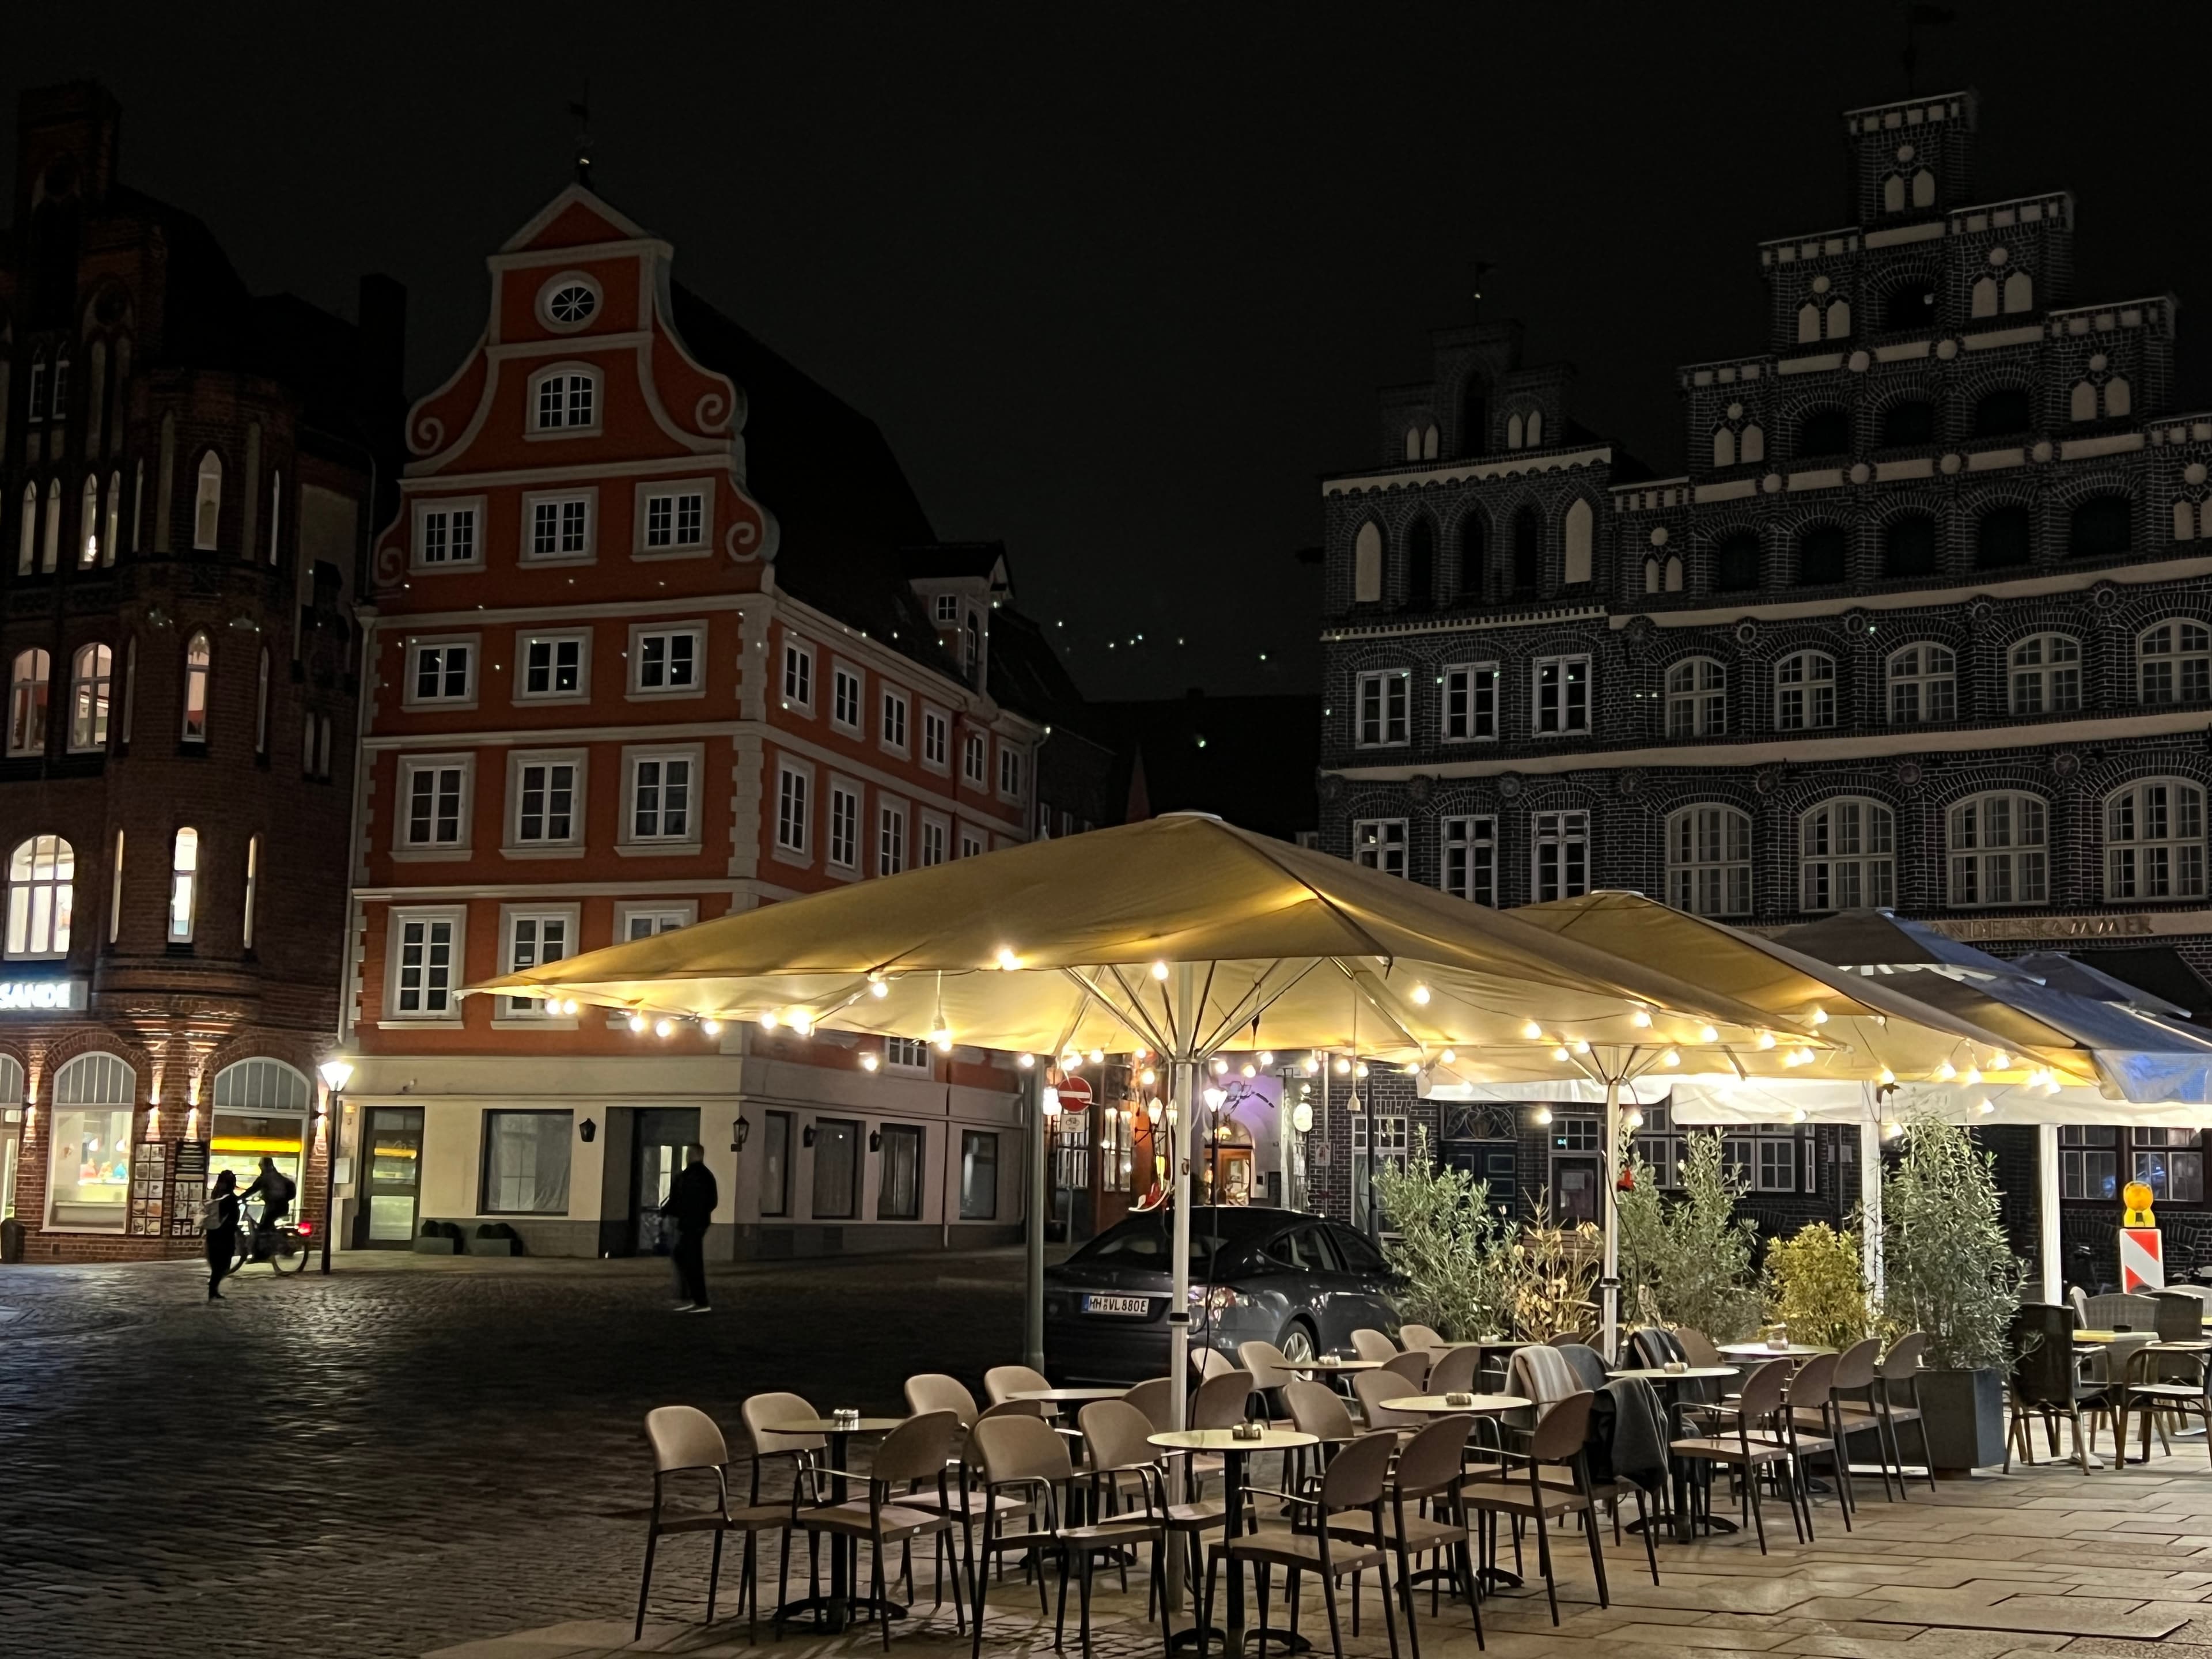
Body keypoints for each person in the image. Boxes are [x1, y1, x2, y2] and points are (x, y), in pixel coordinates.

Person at [660, 1143, 718, 1313]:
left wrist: (668, 1212)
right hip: (697, 1224)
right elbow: (712, 1201)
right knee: (687, 1257)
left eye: (690, 1153)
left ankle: (699, 1300)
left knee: (688, 1259)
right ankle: (696, 1298)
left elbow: (677, 1200)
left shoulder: (687, 1177)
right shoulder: (707, 1177)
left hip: (690, 1224)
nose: (687, 1156)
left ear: (697, 1154)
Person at [240, 1156, 295, 1266]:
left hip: (275, 1207)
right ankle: (269, 1249)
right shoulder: (276, 1175)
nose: (260, 1167)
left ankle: (260, 1256)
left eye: (261, 1165)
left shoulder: (266, 1177)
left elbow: (253, 1189)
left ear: (265, 1166)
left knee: (261, 1230)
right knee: (267, 1228)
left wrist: (239, 1198)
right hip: (280, 1206)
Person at [201, 1170, 240, 1301]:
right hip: (225, 1236)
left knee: (216, 1264)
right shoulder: (231, 1199)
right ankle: (213, 1288)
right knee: (223, 1265)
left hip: (213, 1234)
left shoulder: (215, 1195)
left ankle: (213, 1289)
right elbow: (233, 1218)